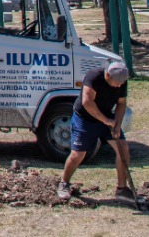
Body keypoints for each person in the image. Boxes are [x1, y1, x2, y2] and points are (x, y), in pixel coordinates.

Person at [57, 61, 132, 202]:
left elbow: (121, 104)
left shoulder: (121, 80)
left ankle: (121, 189)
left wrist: (117, 124)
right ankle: (64, 183)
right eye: (117, 83)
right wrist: (106, 121)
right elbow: (87, 102)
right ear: (108, 75)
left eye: (122, 83)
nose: (120, 86)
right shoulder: (93, 76)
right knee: (78, 154)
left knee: (122, 147)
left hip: (106, 117)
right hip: (84, 118)